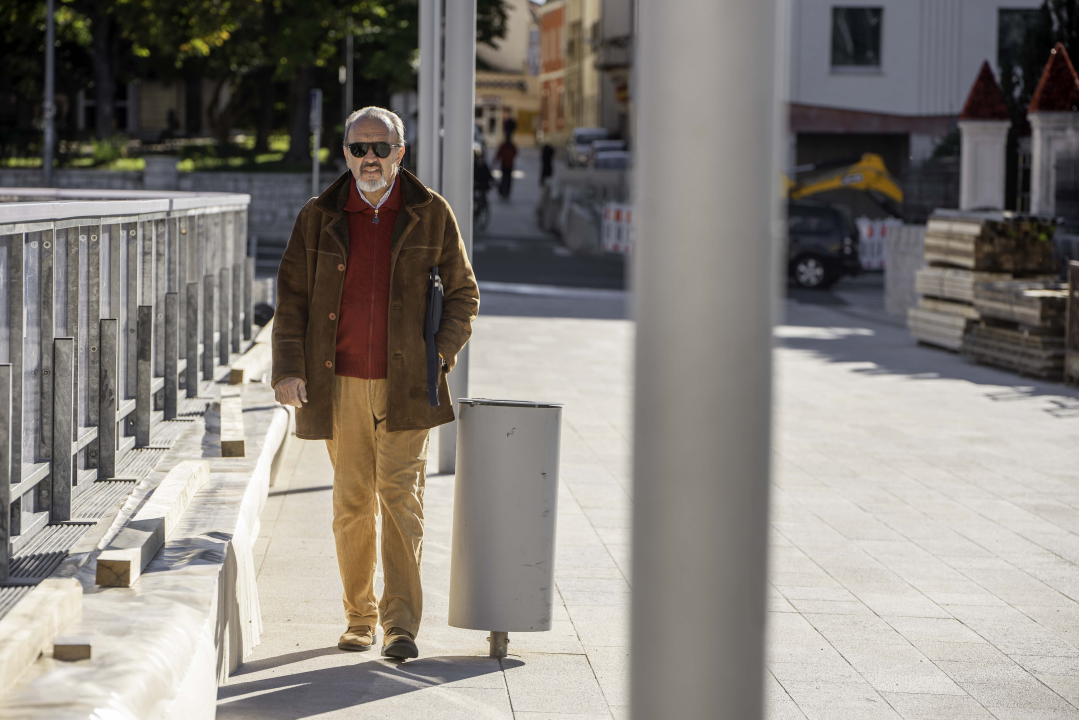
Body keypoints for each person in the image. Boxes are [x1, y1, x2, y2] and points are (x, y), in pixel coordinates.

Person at [272, 106, 480, 661]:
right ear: (345, 153)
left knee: (402, 501)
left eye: (381, 148)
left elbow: (464, 295)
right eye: (359, 148)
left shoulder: (431, 213)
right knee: (352, 503)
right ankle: (359, 618)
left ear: (399, 154)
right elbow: (291, 299)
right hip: (338, 384)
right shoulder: (318, 215)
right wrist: (288, 369)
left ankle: (400, 625)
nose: (370, 158)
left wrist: (436, 357)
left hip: (407, 386)